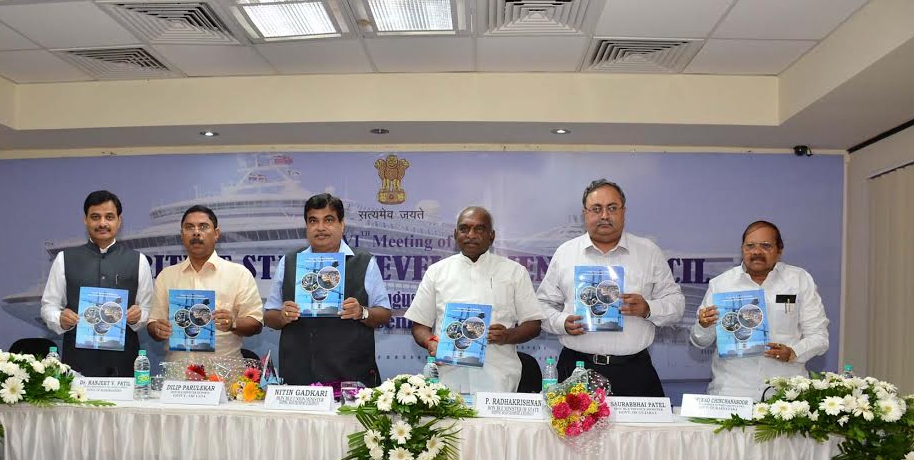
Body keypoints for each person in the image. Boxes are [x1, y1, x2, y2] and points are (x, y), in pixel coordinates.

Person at [536, 179, 684, 396]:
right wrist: (561, 323)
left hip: (634, 371)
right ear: (585, 214)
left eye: (612, 208)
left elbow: (677, 304)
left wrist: (648, 308)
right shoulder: (566, 252)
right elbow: (541, 304)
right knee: (571, 431)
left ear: (623, 212)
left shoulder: (648, 252)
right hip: (576, 369)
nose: (604, 215)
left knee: (642, 431)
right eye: (596, 209)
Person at [405, 206, 544, 393]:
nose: (471, 234)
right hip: (447, 378)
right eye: (464, 229)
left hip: (498, 377)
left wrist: (507, 336)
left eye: (479, 229)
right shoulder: (437, 272)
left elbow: (533, 324)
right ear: (455, 234)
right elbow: (419, 325)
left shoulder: (514, 272)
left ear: (491, 235)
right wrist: (430, 342)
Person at [690, 220, 829, 399]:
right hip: (732, 392)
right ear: (742, 249)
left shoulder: (799, 280)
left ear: (779, 250)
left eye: (766, 246)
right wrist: (703, 325)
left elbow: (819, 337)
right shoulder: (721, 284)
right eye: (750, 246)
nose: (756, 252)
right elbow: (699, 341)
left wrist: (794, 353)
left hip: (786, 395)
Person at [263, 193, 391, 386]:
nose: (320, 228)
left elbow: (384, 313)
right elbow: (269, 316)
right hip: (298, 376)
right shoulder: (289, 262)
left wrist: (361, 312)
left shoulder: (364, 262)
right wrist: (282, 316)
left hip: (351, 375)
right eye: (313, 221)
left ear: (342, 224)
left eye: (328, 220)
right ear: (306, 226)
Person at [40, 190, 154, 377]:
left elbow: (148, 309)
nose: (102, 223)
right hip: (77, 360)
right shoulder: (64, 258)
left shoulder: (139, 260)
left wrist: (139, 316)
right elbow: (48, 306)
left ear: (119, 221)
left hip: (123, 361)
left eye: (109, 217)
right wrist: (59, 318)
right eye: (95, 217)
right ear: (85, 220)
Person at [147, 205, 263, 361]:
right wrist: (157, 329)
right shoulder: (166, 276)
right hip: (177, 374)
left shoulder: (239, 274)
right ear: (182, 235)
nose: (196, 232)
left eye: (203, 226)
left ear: (216, 234)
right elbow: (153, 323)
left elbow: (256, 323)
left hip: (224, 374)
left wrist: (233, 323)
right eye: (189, 227)